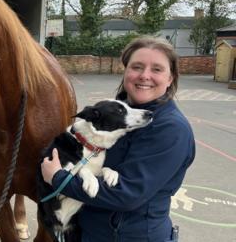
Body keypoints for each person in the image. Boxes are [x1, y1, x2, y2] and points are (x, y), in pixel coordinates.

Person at [41, 36, 195, 242]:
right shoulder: (117, 112)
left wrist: (58, 179)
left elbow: (127, 194)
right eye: (137, 67)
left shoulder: (170, 130)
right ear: (125, 72)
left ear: (170, 78)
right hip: (89, 231)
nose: (144, 76)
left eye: (157, 69)